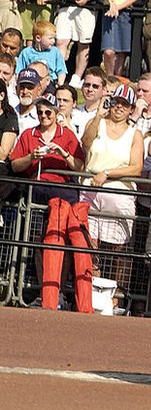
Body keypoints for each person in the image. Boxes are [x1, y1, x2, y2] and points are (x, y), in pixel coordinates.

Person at [9, 92, 89, 312]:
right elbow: (15, 164)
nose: (43, 115)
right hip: (36, 192)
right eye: (40, 112)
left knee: (60, 245)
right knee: (37, 244)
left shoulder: (68, 135)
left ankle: (60, 292)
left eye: (47, 112)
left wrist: (63, 153)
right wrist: (31, 157)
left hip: (64, 195)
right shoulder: (28, 134)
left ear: (56, 113)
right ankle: (40, 293)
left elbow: (80, 167)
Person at [80, 85, 144, 257]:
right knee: (88, 246)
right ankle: (90, 282)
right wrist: (98, 116)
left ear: (131, 109)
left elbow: (136, 167)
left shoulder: (135, 134)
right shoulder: (96, 123)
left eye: (125, 104)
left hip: (118, 193)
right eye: (116, 102)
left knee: (117, 252)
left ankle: (116, 285)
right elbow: (85, 143)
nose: (119, 107)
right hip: (90, 189)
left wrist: (107, 173)